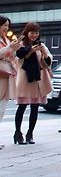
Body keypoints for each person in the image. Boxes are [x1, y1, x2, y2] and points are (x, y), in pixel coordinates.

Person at [14, 22, 53, 145]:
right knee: (22, 106)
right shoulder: (20, 45)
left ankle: (30, 133)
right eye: (32, 32)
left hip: (38, 79)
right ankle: (18, 133)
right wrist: (30, 51)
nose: (34, 35)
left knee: (35, 107)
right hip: (26, 79)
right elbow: (18, 61)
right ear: (27, 32)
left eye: (36, 33)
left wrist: (44, 53)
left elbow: (48, 61)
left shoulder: (41, 45)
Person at [0, 15, 21, 149]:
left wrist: (14, 48)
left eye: (8, 26)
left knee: (1, 109)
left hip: (6, 75)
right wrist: (9, 48)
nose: (6, 28)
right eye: (4, 25)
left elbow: (12, 56)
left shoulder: (6, 40)